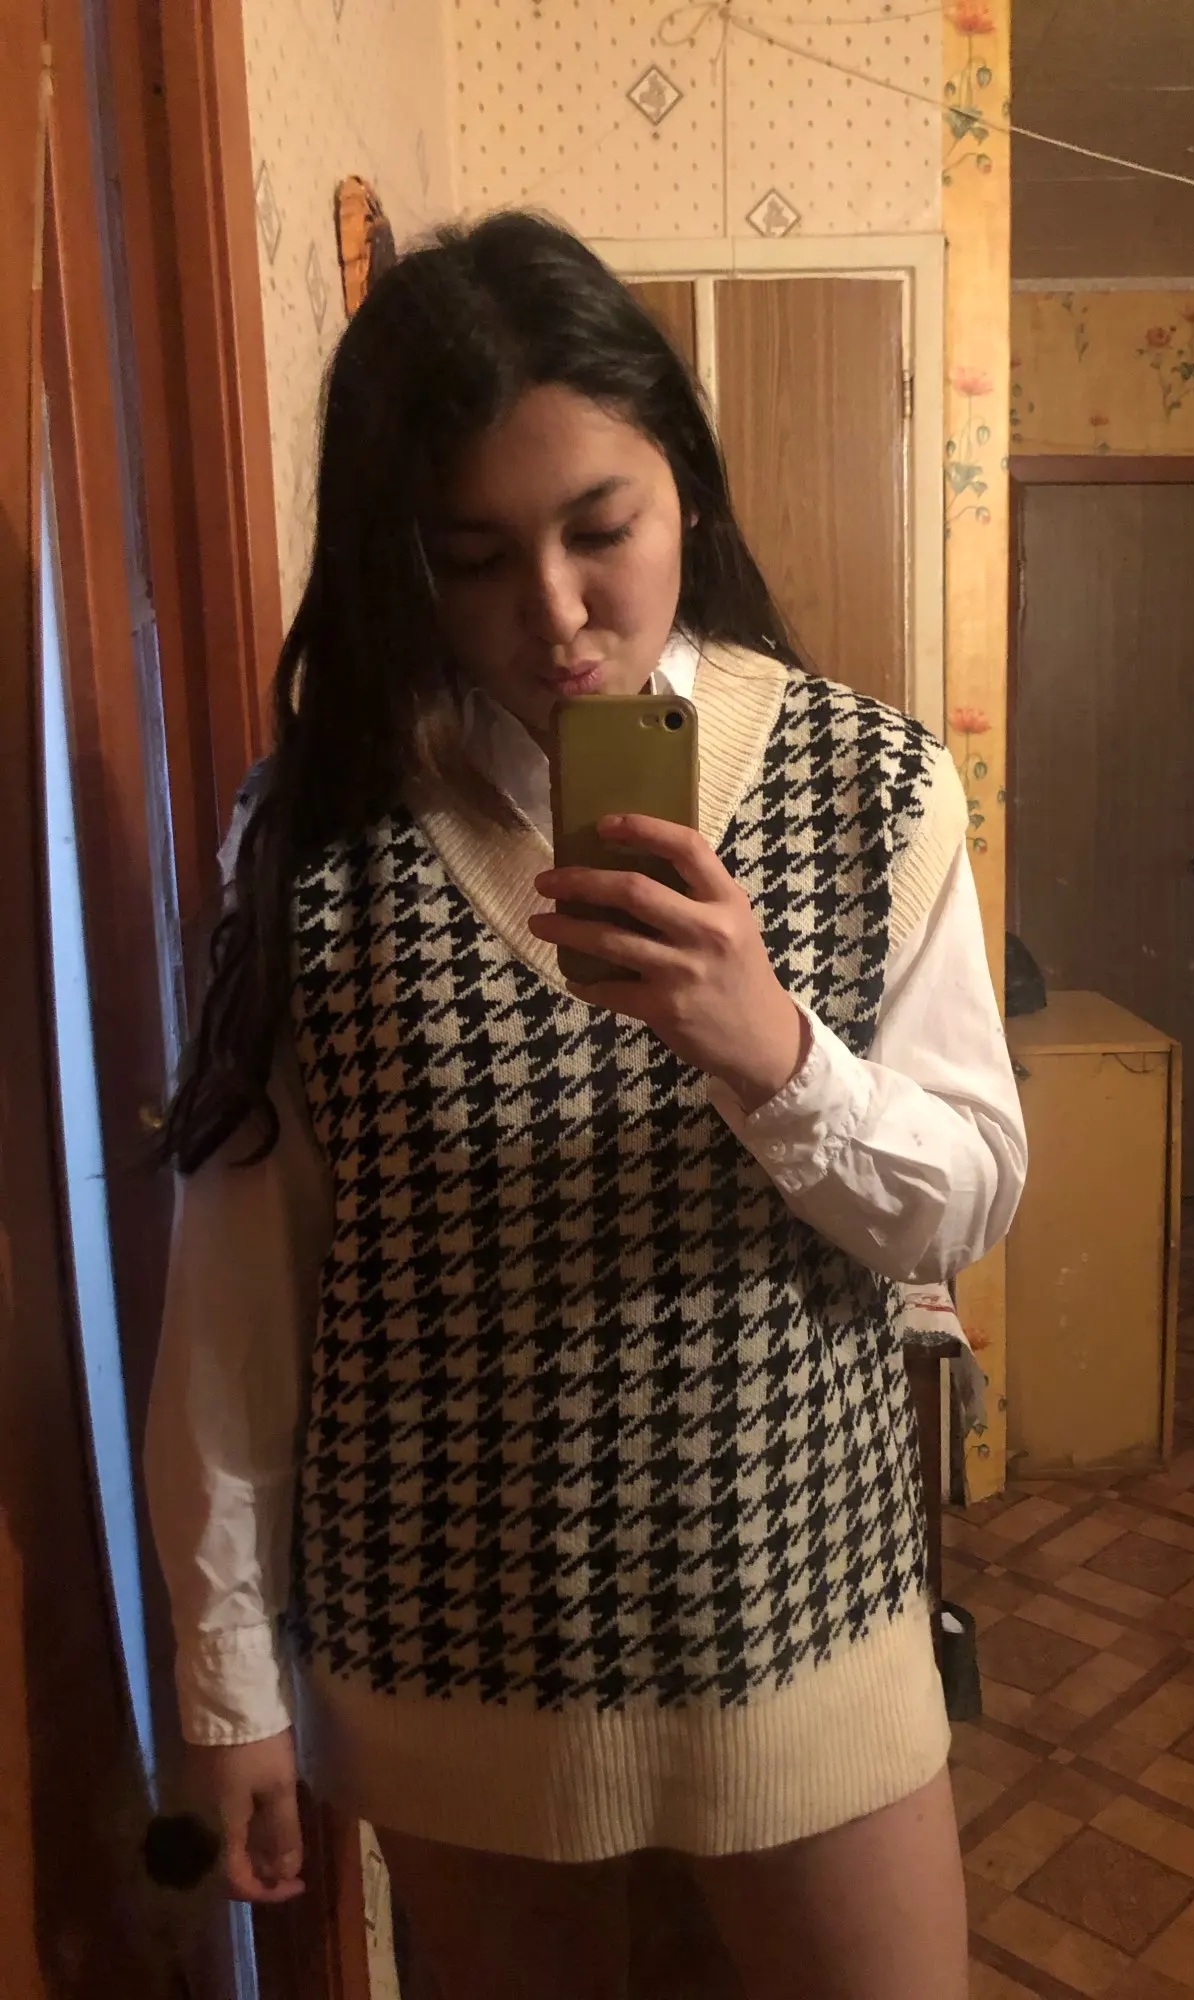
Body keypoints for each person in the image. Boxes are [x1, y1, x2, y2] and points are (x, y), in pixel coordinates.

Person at [145, 210, 1026, 2000]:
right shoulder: (315, 838)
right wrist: (228, 1687)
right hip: (451, 1677)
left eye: (598, 530)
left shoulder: (871, 785)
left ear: (681, 480)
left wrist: (770, 1048)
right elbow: (239, 1298)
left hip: (808, 1629)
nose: (552, 615)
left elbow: (966, 1198)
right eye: (472, 558)